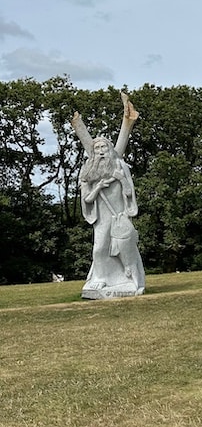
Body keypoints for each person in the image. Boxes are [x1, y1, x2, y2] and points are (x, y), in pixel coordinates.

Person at [72, 92, 146, 296]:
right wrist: (98, 186)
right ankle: (102, 279)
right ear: (93, 152)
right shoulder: (89, 171)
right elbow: (86, 199)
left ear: (110, 148)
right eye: (97, 148)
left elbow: (130, 192)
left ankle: (130, 279)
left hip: (119, 215)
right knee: (99, 249)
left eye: (105, 146)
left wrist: (120, 178)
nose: (101, 150)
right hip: (102, 218)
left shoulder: (120, 166)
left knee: (125, 250)